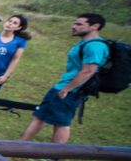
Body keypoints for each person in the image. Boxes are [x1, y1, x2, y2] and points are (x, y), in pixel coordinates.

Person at [19, 13, 109, 145]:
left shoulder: (95, 46)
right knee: (39, 116)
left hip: (71, 90)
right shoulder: (85, 43)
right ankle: (19, 145)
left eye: (79, 24)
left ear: (95, 26)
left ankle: (55, 154)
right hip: (62, 87)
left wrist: (68, 89)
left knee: (61, 123)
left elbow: (88, 71)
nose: (73, 26)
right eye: (74, 23)